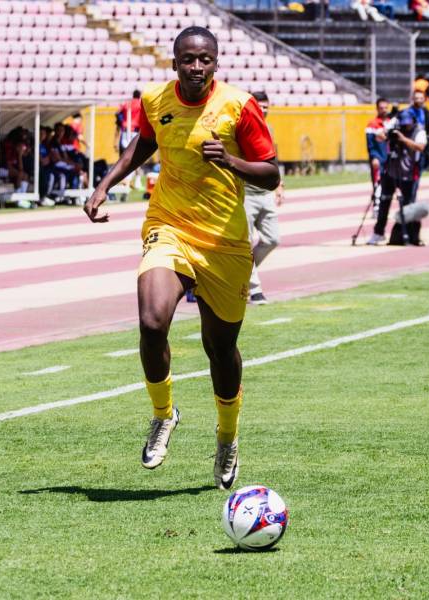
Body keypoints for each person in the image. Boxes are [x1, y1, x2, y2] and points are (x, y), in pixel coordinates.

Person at [83, 26, 279, 490]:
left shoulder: (239, 106)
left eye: (204, 59)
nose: (196, 67)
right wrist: (104, 185)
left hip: (224, 241)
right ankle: (163, 414)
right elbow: (144, 143)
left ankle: (227, 436)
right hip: (168, 225)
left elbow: (271, 174)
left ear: (215, 63)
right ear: (174, 64)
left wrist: (230, 161)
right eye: (188, 59)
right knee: (152, 323)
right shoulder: (155, 100)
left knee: (220, 349)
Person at [244, 91, 284, 305]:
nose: (264, 109)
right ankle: (255, 290)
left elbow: (273, 160)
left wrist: (279, 184)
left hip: (265, 193)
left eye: (266, 106)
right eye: (260, 106)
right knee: (246, 243)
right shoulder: (242, 127)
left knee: (272, 239)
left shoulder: (269, 129)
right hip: (246, 194)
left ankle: (240, 275)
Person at [367, 110, 427, 246]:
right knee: (384, 203)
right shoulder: (395, 127)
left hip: (408, 174)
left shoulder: (419, 131)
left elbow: (420, 147)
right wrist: (388, 132)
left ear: (413, 121)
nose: (405, 126)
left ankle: (408, 235)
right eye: (403, 123)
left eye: (408, 123)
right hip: (390, 171)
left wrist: (403, 139)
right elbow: (379, 137)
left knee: (408, 205)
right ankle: (378, 233)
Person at [365, 97, 391, 217]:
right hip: (379, 158)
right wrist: (374, 157)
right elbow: (370, 144)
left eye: (386, 107)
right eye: (381, 108)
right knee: (378, 183)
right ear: (377, 109)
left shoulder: (392, 123)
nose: (384, 110)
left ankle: (386, 207)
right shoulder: (372, 125)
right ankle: (377, 208)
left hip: (391, 160)